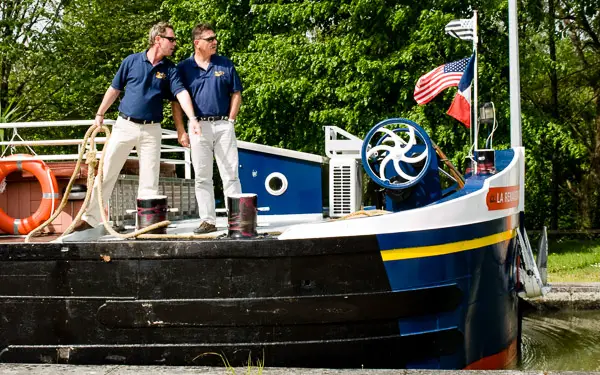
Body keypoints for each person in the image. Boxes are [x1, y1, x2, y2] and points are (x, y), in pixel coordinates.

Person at [72, 22, 200, 231]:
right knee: (106, 171)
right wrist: (100, 113)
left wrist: (192, 119)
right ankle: (90, 218)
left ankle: (146, 223)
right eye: (171, 39)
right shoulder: (131, 61)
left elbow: (180, 94)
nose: (175, 43)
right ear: (158, 39)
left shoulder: (170, 69)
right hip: (125, 125)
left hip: (152, 130)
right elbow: (114, 89)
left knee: (150, 179)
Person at [172, 23, 242, 234]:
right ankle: (208, 221)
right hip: (198, 127)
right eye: (210, 39)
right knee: (202, 176)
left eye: (215, 38)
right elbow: (176, 101)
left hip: (223, 125)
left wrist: (230, 121)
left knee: (230, 173)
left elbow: (236, 93)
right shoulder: (183, 68)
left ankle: (237, 220)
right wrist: (180, 130)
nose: (215, 42)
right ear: (197, 43)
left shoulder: (225, 64)